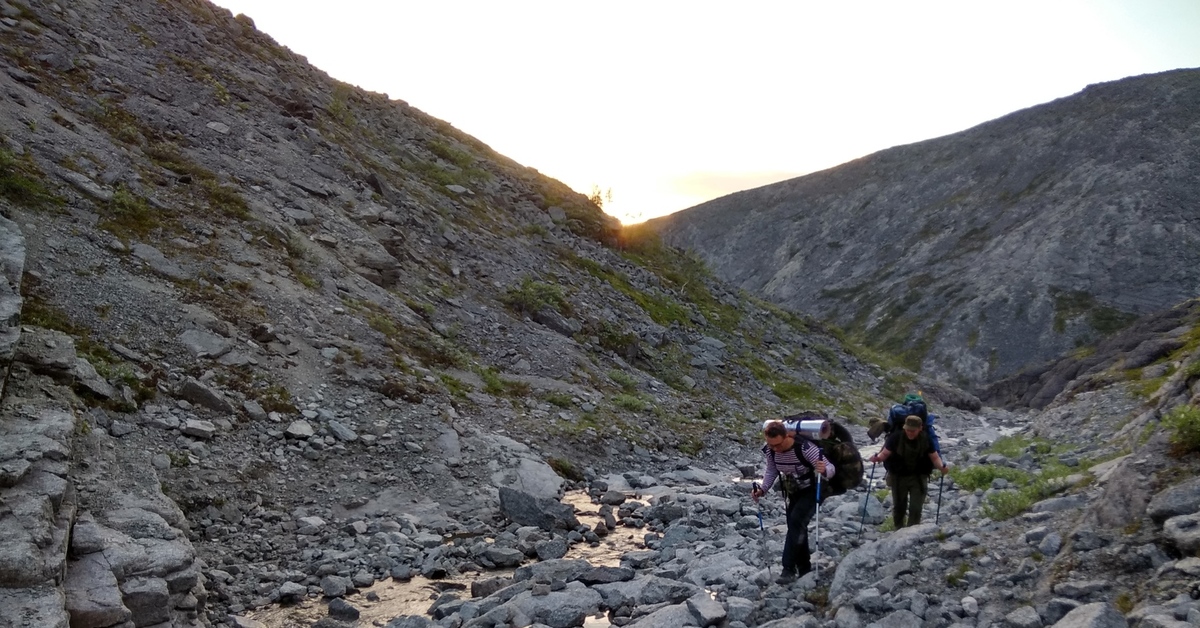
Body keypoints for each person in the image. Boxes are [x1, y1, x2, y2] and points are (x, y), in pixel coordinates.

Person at [751, 420, 836, 584]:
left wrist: (823, 469)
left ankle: (788, 568)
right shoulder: (771, 450)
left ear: (787, 436)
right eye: (770, 444)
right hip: (795, 491)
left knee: (797, 521)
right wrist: (763, 489)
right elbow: (772, 469)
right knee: (795, 525)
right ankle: (804, 568)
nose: (774, 448)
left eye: (777, 444)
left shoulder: (805, 448)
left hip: (813, 490)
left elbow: (830, 468)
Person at [868, 415, 949, 529]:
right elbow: (885, 453)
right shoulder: (896, 437)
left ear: (920, 428)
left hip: (919, 477)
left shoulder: (926, 439)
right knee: (899, 506)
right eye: (908, 430)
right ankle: (898, 530)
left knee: (916, 507)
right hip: (898, 476)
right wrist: (878, 458)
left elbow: (934, 457)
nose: (910, 433)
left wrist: (941, 467)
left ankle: (912, 530)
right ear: (904, 427)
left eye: (913, 431)